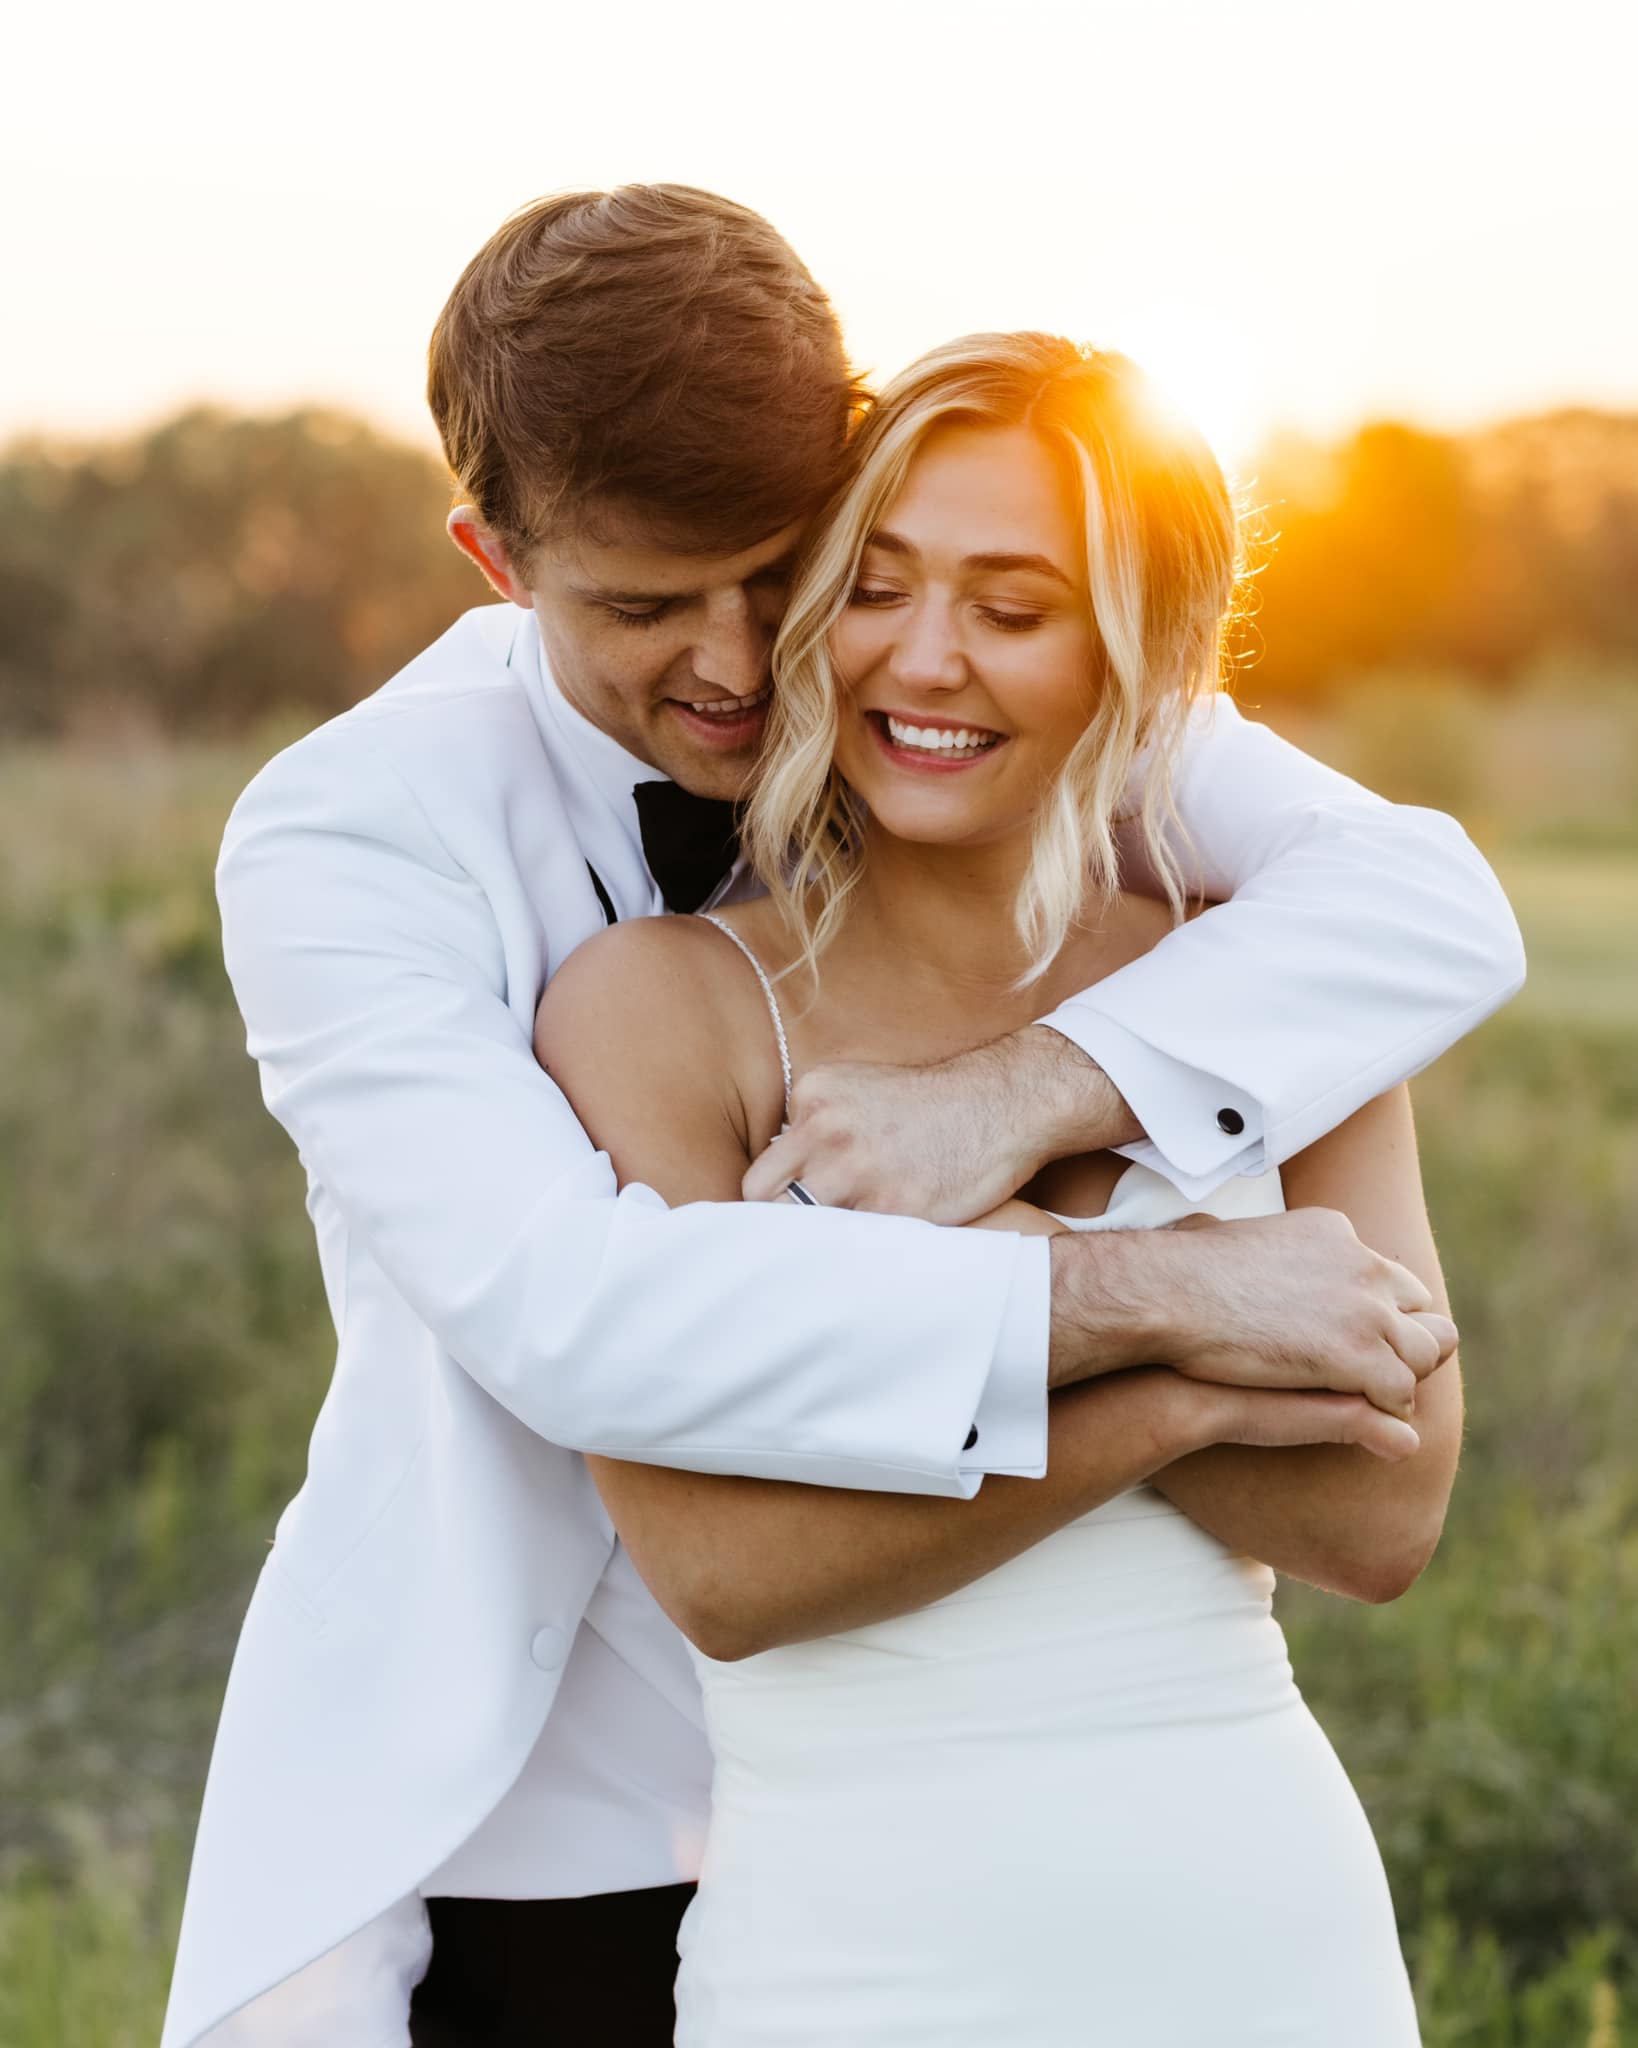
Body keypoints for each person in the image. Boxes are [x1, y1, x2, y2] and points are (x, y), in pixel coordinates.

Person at [161, 187, 1519, 2048]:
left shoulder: (961, 658)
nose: (737, 663)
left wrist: (1019, 1095)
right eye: (644, 607)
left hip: (1141, 1849)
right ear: (495, 562)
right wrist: (1162, 1302)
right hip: (539, 1806)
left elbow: (1426, 907)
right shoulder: (350, 837)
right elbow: (585, 1319)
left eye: (785, 572)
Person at [535, 331, 1457, 2043]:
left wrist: (972, 1304)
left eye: (1013, 609)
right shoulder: (660, 1006)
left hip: (1253, 1921)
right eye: (875, 586)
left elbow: (1379, 1517)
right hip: (852, 1947)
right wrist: (1191, 1348)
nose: (925, 659)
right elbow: (727, 1575)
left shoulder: (1275, 985)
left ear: (1137, 656)